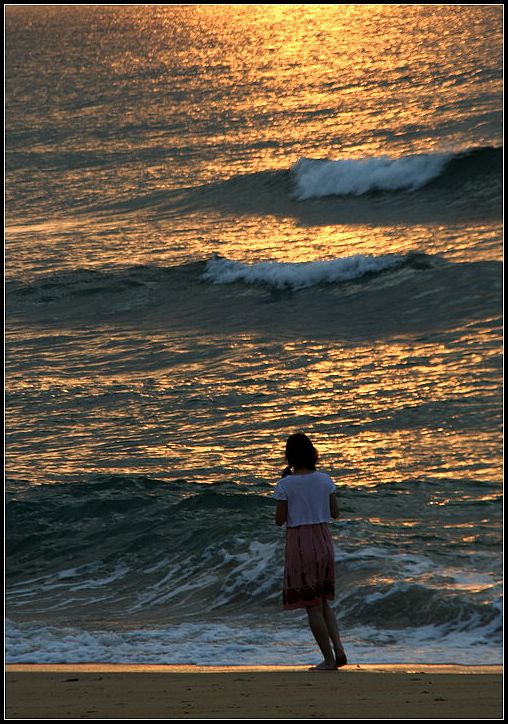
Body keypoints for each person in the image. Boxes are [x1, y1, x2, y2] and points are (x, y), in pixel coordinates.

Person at [273, 432, 347, 671]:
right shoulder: (325, 480)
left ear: (290, 457)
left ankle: (328, 660)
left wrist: (287, 487)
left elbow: (279, 520)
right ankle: (339, 650)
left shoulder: (285, 484)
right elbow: (335, 513)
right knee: (325, 602)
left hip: (300, 542)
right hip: (324, 540)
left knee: (312, 607)